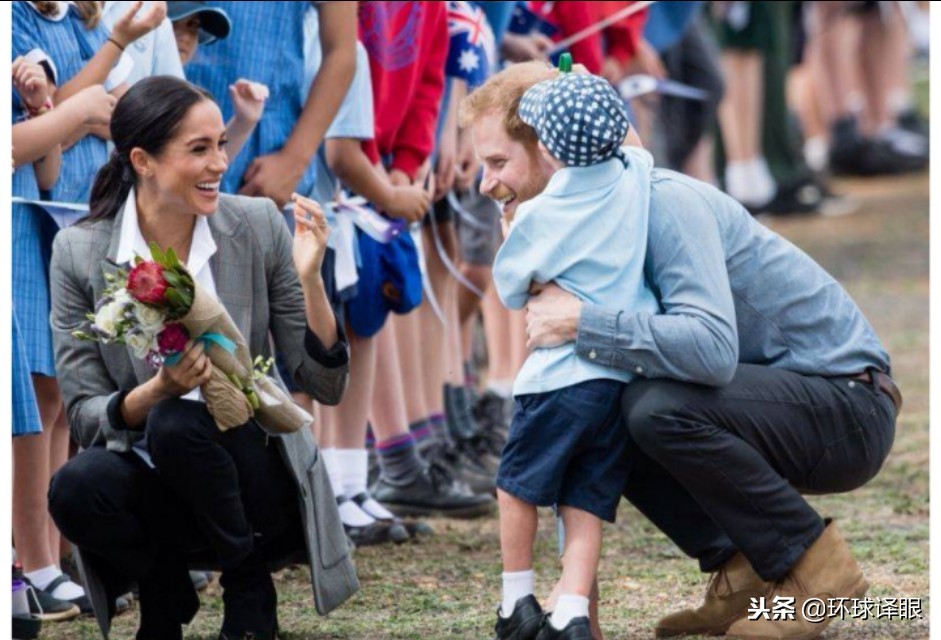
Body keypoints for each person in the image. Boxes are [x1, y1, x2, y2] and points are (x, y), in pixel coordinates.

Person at [461, 60, 900, 640]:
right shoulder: (583, 223)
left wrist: (587, 323)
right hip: (777, 403)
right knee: (599, 403)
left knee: (652, 404)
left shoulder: (662, 202)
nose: (486, 184)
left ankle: (817, 571)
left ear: (549, 150)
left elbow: (713, 351)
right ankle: (741, 571)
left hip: (847, 404)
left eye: (497, 164)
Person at [46, 76, 358, 640]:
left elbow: (323, 382)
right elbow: (87, 413)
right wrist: (156, 390)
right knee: (75, 485)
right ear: (142, 160)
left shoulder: (258, 224)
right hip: (157, 484)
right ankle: (165, 590)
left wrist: (311, 281)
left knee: (180, 424)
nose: (219, 162)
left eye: (220, 144)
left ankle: (248, 587)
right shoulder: (79, 251)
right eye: (199, 148)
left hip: (257, 482)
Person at [486, 70, 660, 640]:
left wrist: (509, 231)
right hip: (616, 377)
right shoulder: (634, 178)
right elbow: (639, 149)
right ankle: (573, 612)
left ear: (546, 149)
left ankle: (517, 599)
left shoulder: (541, 213)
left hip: (558, 380)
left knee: (516, 487)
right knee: (586, 498)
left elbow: (512, 288)